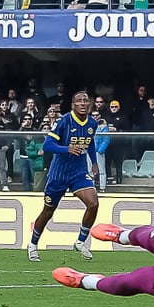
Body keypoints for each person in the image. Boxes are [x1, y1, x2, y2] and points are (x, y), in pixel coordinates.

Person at [27, 90, 100, 263]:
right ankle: (32, 245)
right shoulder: (63, 121)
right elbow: (47, 145)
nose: (83, 103)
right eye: (79, 101)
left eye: (85, 100)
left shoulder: (92, 123)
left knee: (93, 203)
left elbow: (89, 143)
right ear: (73, 105)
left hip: (79, 173)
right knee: (48, 211)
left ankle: (81, 241)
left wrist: (94, 161)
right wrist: (66, 148)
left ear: (89, 105)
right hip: (59, 174)